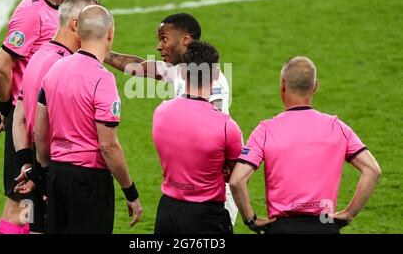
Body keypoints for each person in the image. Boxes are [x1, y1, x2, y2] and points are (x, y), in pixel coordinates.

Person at [105, 13, 239, 225]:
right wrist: (100, 51)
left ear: (185, 39)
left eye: (164, 39)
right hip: (185, 189)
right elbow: (140, 66)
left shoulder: (214, 85)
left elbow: (212, 139)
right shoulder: (180, 69)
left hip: (209, 194)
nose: (159, 46)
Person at [229, 56, 381, 234]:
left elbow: (237, 180)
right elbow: (372, 170)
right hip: (325, 226)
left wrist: (251, 219)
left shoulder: (265, 130)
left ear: (283, 85)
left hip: (281, 228)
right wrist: (349, 213)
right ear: (315, 86)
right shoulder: (338, 127)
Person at [0, 0, 77, 234]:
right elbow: (0, 68)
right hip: (25, 122)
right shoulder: (31, 13)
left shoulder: (69, 5)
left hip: (54, 119)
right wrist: (6, 109)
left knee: (44, 205)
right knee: (21, 206)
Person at [35, 5, 142, 233]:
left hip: (56, 175)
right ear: (110, 33)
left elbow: (39, 131)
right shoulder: (103, 80)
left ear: (79, 32)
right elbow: (108, 146)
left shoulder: (54, 70)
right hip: (89, 182)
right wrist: (130, 191)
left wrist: (46, 174)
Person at [11, 0, 101, 233]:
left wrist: (25, 165)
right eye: (92, 24)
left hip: (37, 168)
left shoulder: (39, 56)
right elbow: (49, 129)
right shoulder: (63, 68)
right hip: (58, 174)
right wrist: (43, 177)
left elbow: (18, 117)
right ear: (76, 25)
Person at [152, 41, 242, 234]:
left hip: (167, 212)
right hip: (206, 217)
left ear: (183, 73)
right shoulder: (227, 127)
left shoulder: (161, 112)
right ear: (216, 75)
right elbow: (236, 178)